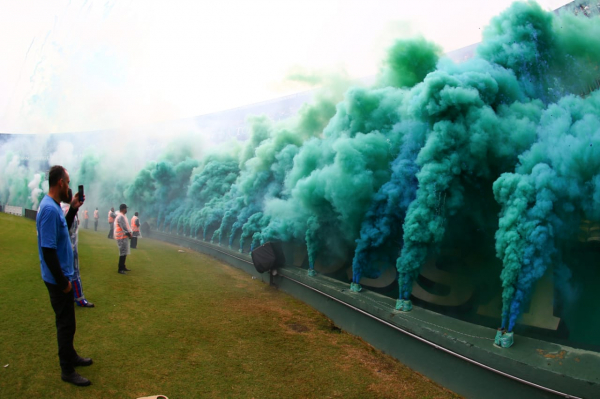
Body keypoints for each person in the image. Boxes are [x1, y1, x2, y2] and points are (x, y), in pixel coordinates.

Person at [36, 165, 93, 387]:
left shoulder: (53, 206)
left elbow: (63, 230)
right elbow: (48, 251)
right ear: (60, 182)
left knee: (69, 322)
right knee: (66, 324)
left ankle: (71, 357)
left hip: (61, 277)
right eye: (68, 182)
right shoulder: (50, 210)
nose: (69, 186)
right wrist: (64, 284)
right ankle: (67, 370)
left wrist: (74, 208)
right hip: (58, 280)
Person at [61, 200, 94, 308]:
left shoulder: (60, 208)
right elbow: (68, 228)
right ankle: (79, 299)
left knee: (67, 272)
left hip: (66, 246)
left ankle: (69, 297)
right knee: (74, 273)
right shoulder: (66, 210)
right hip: (70, 247)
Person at [115, 203, 133, 274]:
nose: (126, 210)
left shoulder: (122, 216)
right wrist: (129, 235)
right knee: (122, 253)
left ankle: (123, 266)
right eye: (126, 208)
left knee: (124, 252)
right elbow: (124, 228)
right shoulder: (121, 217)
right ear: (123, 209)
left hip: (123, 237)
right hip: (121, 237)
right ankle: (120, 268)